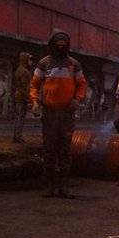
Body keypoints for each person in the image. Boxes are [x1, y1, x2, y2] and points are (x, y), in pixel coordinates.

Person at [30, 31, 87, 198]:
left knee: (65, 150)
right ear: (52, 44)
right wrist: (34, 101)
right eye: (58, 44)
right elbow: (34, 84)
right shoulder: (44, 63)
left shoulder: (74, 64)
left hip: (67, 114)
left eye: (64, 44)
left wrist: (78, 99)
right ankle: (49, 187)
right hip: (49, 113)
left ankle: (64, 187)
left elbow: (82, 85)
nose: (61, 47)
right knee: (49, 150)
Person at [12, 52, 32, 143]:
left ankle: (17, 136)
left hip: (18, 96)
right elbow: (25, 87)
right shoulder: (25, 71)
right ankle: (18, 137)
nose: (31, 62)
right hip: (21, 97)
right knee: (20, 118)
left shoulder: (19, 69)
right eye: (29, 59)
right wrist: (28, 99)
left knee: (18, 117)